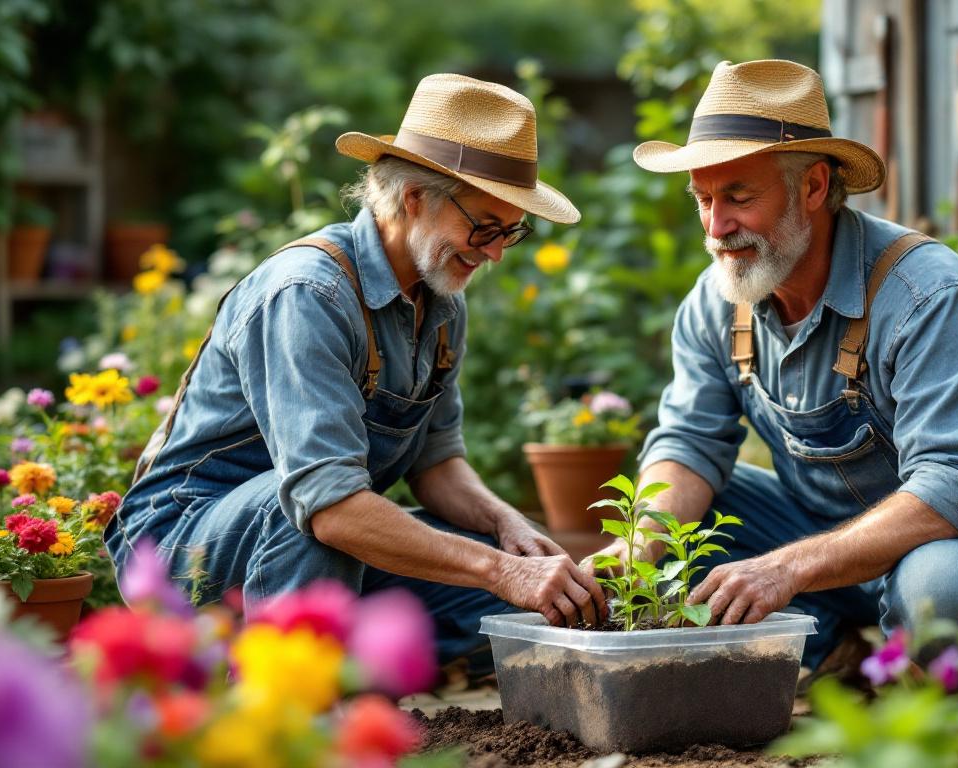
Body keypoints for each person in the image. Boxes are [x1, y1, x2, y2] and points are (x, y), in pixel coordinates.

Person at [589, 59, 958, 675]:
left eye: (739, 197)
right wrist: (639, 548)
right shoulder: (717, 300)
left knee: (942, 592)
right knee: (681, 532)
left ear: (815, 187)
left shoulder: (926, 294)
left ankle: (950, 670)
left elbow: (952, 486)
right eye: (704, 200)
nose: (717, 228)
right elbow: (689, 443)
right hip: (827, 538)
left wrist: (785, 569)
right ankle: (828, 650)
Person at [108, 74, 606, 664]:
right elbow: (329, 502)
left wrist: (507, 530)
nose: (496, 251)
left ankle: (352, 672)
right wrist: (497, 571)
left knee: (507, 582)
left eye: (511, 231)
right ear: (415, 197)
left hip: (315, 534)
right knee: (311, 515)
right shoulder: (307, 294)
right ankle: (289, 709)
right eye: (484, 226)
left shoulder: (442, 302)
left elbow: (437, 464)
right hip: (184, 548)